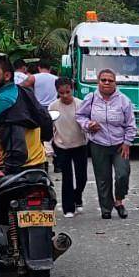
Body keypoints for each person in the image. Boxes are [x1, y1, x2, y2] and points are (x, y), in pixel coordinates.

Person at [75, 67, 138, 219]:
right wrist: (88, 124)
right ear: (98, 82)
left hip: (119, 144)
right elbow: (79, 115)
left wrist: (127, 142)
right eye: (103, 80)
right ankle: (106, 208)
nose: (107, 83)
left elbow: (131, 124)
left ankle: (119, 201)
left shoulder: (124, 100)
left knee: (122, 174)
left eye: (110, 80)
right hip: (98, 143)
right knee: (103, 178)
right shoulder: (90, 98)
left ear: (115, 83)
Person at [0, 55, 51, 175]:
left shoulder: (4, 101)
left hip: (14, 170)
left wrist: (7, 172)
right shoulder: (24, 91)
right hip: (38, 164)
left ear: (7, 75)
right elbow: (46, 121)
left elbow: (16, 146)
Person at [49, 78, 88, 217]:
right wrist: (49, 146)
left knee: (82, 177)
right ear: (57, 92)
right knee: (67, 177)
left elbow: (86, 123)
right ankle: (68, 208)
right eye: (61, 93)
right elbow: (50, 128)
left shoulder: (81, 104)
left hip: (80, 144)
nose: (65, 95)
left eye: (67, 92)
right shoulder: (53, 107)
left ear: (72, 89)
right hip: (61, 145)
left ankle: (77, 196)